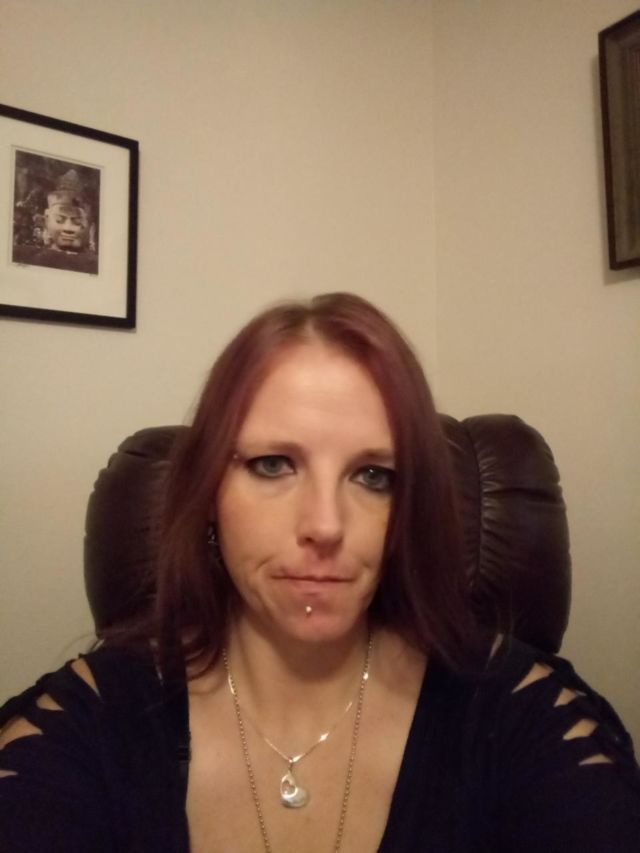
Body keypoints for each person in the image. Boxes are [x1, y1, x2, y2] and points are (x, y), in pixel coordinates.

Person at [0, 293, 638, 852]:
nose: (326, 525)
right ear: (209, 491)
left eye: (374, 475)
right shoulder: (88, 730)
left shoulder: (522, 720)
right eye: (273, 465)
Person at [12, 169, 98, 275]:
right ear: (46, 221)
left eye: (77, 222)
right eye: (59, 220)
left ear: (91, 229)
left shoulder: (96, 266)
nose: (67, 228)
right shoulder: (26, 256)